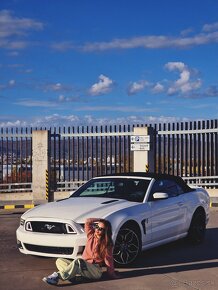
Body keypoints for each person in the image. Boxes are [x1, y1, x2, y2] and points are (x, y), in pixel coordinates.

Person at [42, 218, 120, 285]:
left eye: (100, 229)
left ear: (105, 231)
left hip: (95, 270)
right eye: (96, 226)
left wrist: (112, 274)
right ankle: (73, 276)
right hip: (83, 267)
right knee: (59, 261)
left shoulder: (107, 244)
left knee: (78, 261)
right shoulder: (90, 235)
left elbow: (109, 260)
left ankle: (57, 277)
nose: (97, 230)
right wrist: (100, 220)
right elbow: (88, 221)